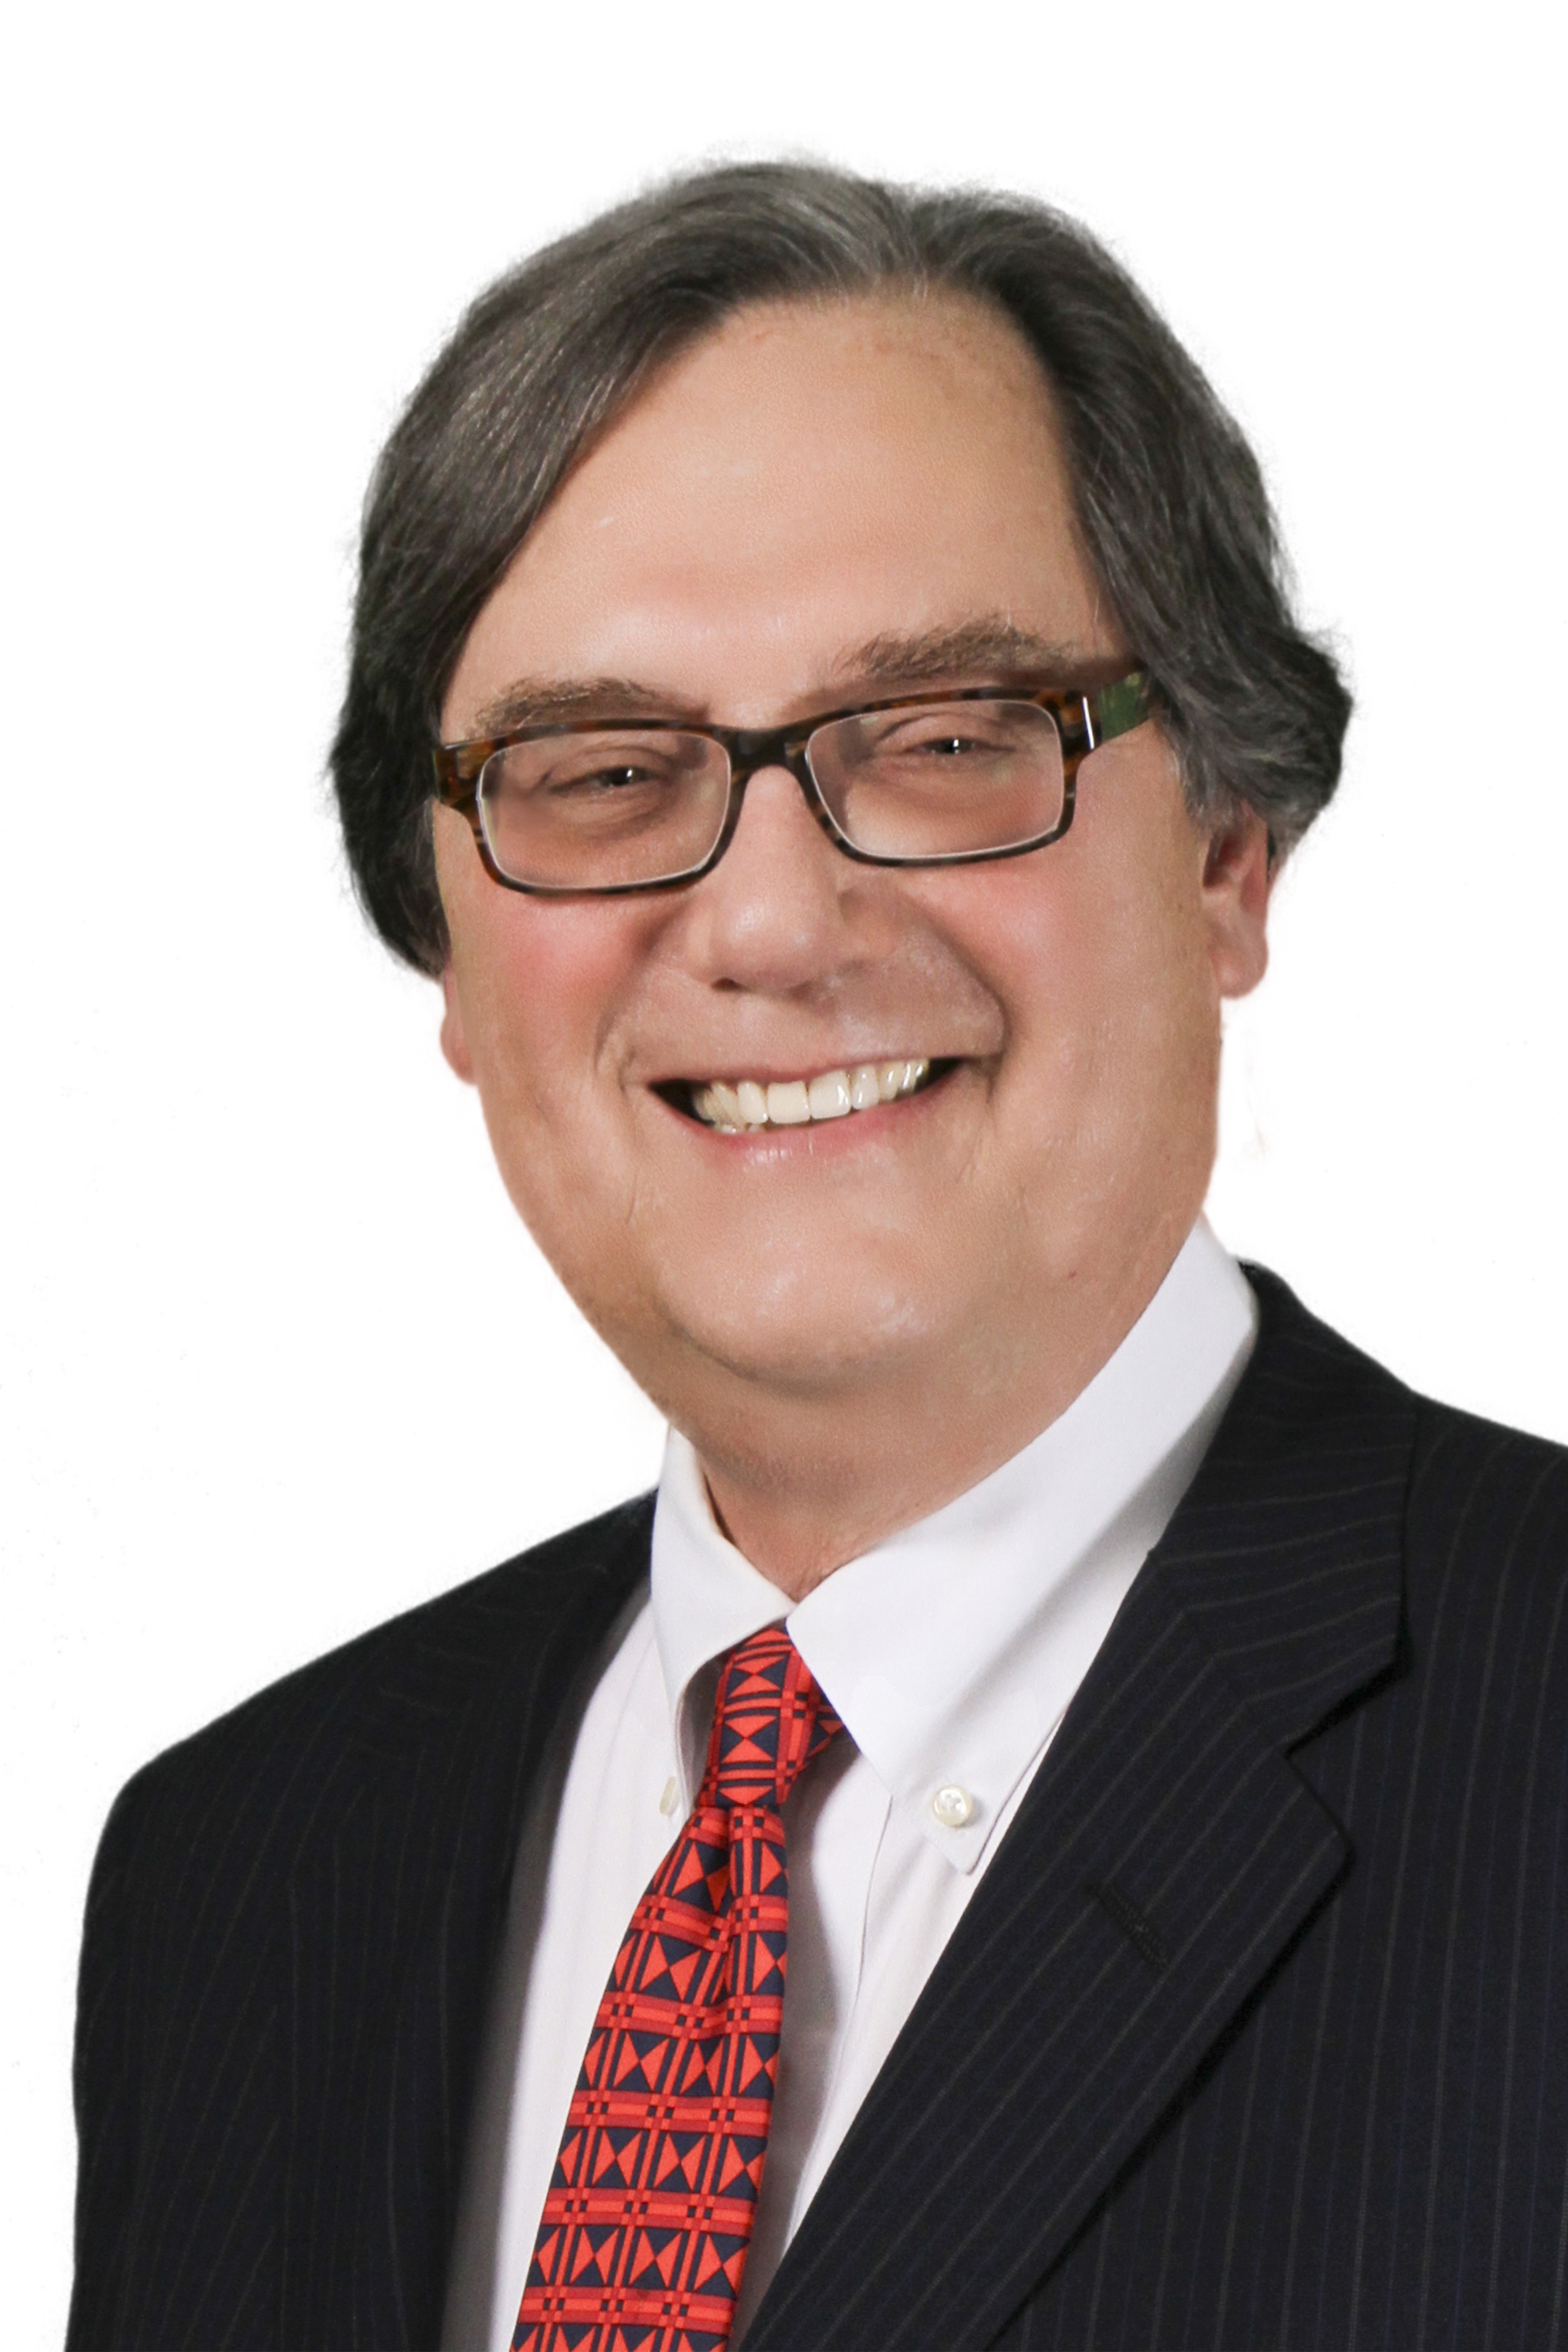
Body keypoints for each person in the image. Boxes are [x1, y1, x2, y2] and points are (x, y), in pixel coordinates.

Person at [66, 162, 1568, 2352]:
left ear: (1231, 854)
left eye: (950, 741)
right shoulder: (239, 1878)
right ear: (452, 957)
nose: (770, 924)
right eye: (602, 770)